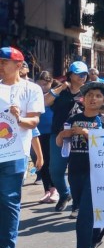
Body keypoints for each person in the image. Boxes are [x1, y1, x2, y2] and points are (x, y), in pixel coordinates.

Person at [55, 81, 104, 248]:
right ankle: (96, 235)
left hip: (96, 172)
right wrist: (63, 134)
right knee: (83, 207)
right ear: (83, 98)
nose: (93, 98)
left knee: (84, 215)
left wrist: (88, 134)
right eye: (89, 95)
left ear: (103, 101)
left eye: (97, 96)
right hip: (75, 169)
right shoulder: (74, 117)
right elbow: (60, 143)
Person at [0, 47, 44, 248]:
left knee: (8, 201)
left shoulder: (31, 89)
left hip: (14, 154)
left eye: (3, 62)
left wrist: (19, 117)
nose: (0, 65)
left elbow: (34, 122)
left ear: (18, 65)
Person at [43, 60, 88, 212]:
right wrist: (61, 87)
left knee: (77, 171)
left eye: (85, 74)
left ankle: (78, 203)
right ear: (71, 75)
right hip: (59, 134)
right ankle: (64, 194)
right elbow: (45, 102)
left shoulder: (89, 91)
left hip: (81, 136)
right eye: (79, 74)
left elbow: (103, 107)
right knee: (55, 170)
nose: (83, 76)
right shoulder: (61, 90)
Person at [34, 71, 57, 202]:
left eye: (45, 84)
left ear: (51, 82)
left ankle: (54, 189)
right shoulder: (33, 93)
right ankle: (47, 190)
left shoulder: (55, 94)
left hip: (52, 131)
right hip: (38, 132)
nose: (43, 87)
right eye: (40, 84)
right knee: (41, 161)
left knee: (51, 162)